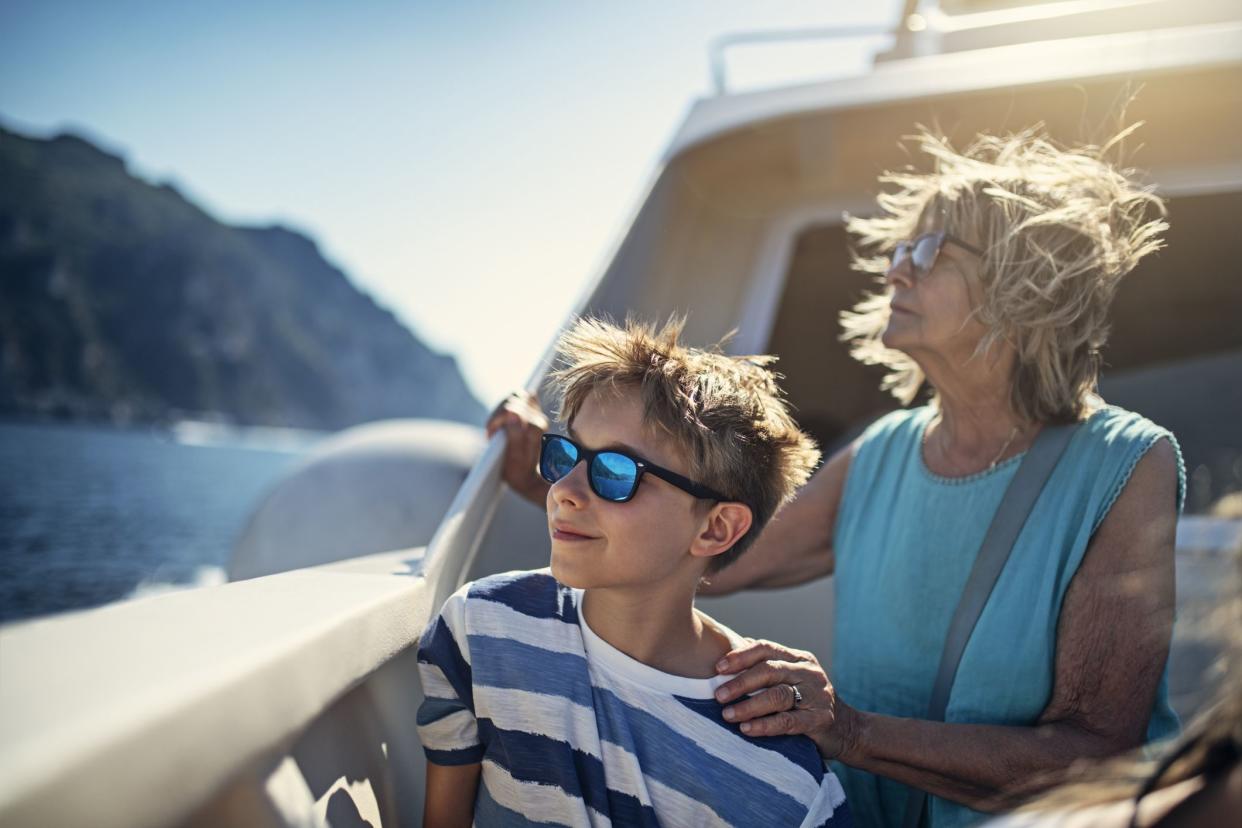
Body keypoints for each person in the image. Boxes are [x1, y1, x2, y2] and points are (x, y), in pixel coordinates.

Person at [488, 127, 1185, 827]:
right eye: (901, 249)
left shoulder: (1126, 465)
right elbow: (694, 548)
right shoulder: (881, 454)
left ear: (1023, 280)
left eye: (929, 251)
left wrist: (849, 732)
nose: (896, 270)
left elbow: (1098, 757)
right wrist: (543, 471)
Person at [419, 317, 851, 827]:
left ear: (715, 529)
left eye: (617, 473)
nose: (564, 491)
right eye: (565, 454)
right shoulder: (480, 629)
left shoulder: (789, 785)